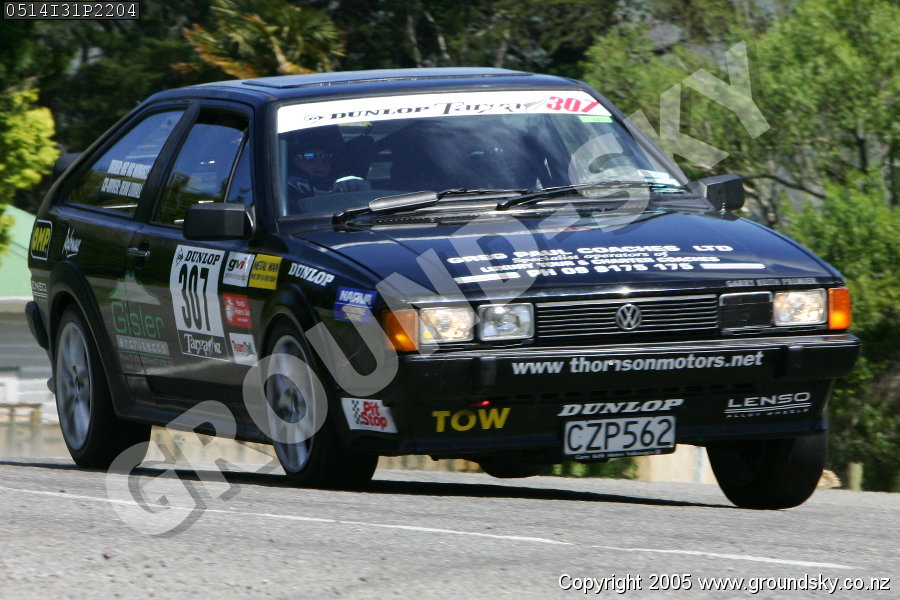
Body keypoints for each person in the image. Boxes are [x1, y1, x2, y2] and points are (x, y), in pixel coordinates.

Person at [287, 136, 370, 201]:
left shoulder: (346, 187)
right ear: (293, 160)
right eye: (310, 157)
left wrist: (362, 193)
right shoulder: (284, 192)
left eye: (326, 157)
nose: (320, 163)